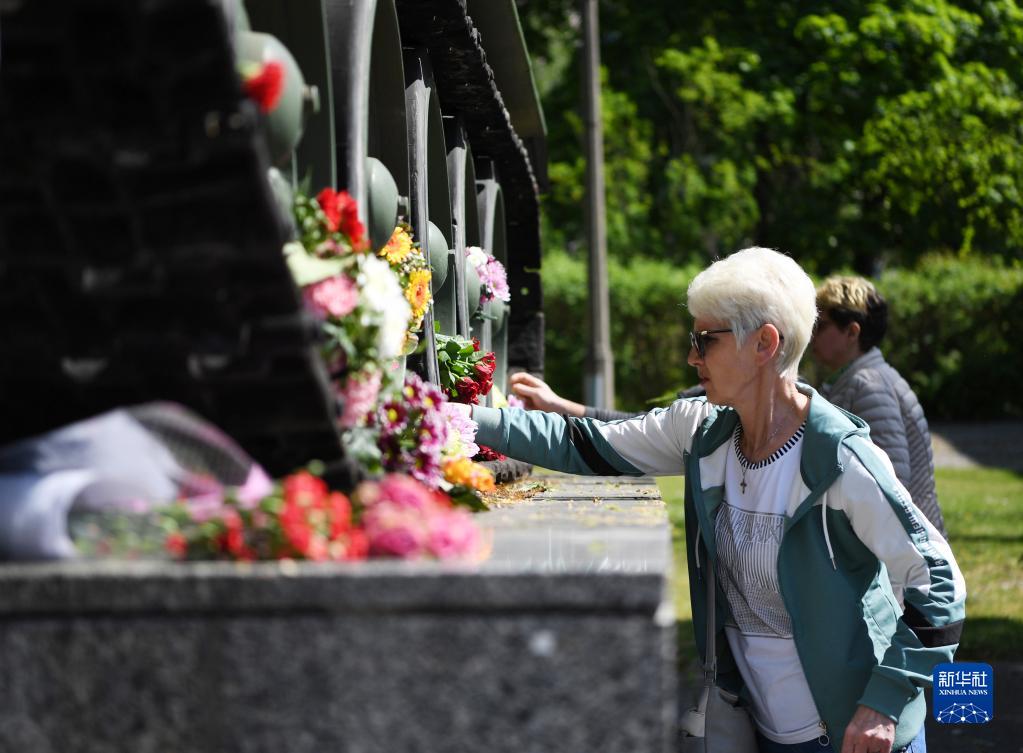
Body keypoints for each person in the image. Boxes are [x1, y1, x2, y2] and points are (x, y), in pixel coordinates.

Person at [465, 247, 964, 753]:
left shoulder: (840, 458)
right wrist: (454, 419)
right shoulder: (701, 429)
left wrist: (884, 702)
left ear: (765, 343)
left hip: (855, 739)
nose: (692, 357)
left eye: (706, 340)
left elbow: (940, 582)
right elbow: (582, 443)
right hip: (760, 733)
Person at [812, 276, 946, 534]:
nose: (812, 333)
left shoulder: (869, 386)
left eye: (821, 325)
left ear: (852, 332)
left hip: (899, 547)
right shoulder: (855, 380)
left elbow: (890, 484)